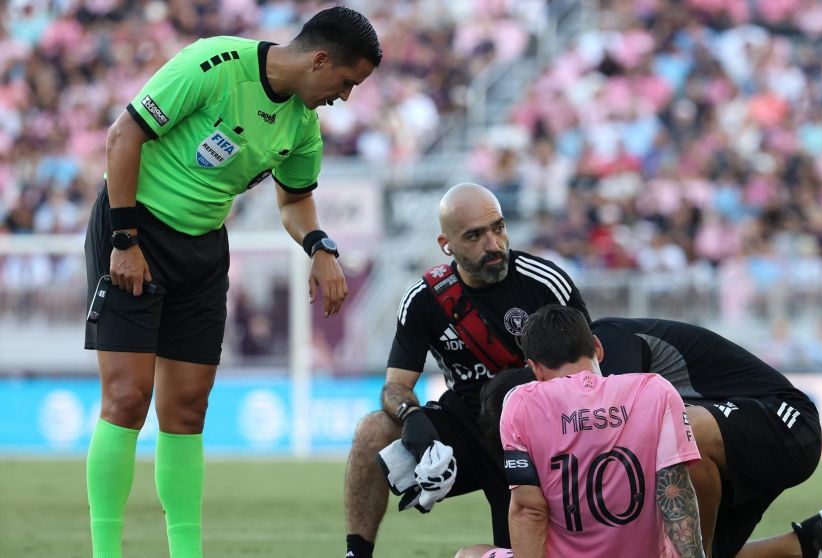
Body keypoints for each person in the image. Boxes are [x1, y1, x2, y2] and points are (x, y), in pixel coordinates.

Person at [83, 8, 381, 558]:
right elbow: (123, 136)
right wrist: (124, 240)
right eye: (346, 82)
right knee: (127, 397)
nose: (345, 96)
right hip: (134, 229)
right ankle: (105, 552)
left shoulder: (303, 128)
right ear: (319, 60)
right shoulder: (213, 64)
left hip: (201, 251)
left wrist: (319, 245)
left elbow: (295, 200)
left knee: (188, 408)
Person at [343, 183, 590, 558]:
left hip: (538, 434)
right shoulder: (423, 300)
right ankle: (356, 555)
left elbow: (593, 373)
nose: (493, 244)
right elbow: (395, 386)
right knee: (373, 430)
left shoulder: (544, 282)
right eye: (475, 235)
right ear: (447, 244)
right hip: (468, 430)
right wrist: (413, 419)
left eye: (498, 228)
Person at [590, 316, 822, 558]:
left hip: (786, 418)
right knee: (666, 548)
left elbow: (622, 446)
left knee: (678, 434)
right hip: (734, 442)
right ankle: (808, 543)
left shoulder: (609, 340)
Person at [459, 305, 706, 558]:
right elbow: (675, 492)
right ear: (597, 348)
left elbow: (528, 510)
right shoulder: (655, 391)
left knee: (469, 554)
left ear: (535, 368)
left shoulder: (521, 403)